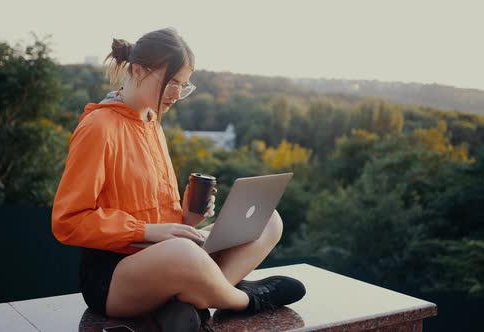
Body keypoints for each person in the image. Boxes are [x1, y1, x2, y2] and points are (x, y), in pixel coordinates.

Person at [51, 28, 306, 332]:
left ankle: (189, 302)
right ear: (138, 70)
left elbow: (164, 225)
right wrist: (147, 231)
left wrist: (189, 217)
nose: (176, 94)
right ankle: (243, 300)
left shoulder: (152, 123)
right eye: (171, 82)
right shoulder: (99, 127)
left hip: (170, 259)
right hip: (114, 277)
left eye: (184, 85)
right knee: (183, 253)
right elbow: (68, 221)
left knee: (269, 220)